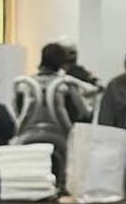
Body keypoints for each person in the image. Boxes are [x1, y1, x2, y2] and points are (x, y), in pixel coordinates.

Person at [13, 41, 96, 186]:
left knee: (26, 180)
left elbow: (17, 111)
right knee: (64, 179)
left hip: (26, 138)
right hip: (60, 140)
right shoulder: (67, 85)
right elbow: (83, 113)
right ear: (62, 63)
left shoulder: (25, 84)